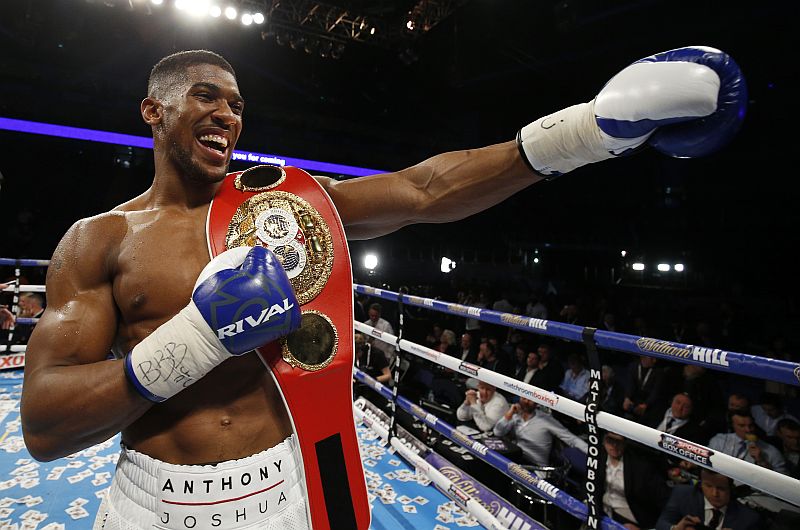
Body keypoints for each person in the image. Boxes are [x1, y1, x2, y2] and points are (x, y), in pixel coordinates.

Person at [17, 45, 744, 530]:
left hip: (284, 491)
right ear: (154, 111)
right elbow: (47, 425)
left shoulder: (282, 209)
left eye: (237, 105)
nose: (228, 117)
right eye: (206, 98)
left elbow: (423, 190)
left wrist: (587, 132)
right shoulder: (100, 239)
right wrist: (192, 342)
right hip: (155, 500)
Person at [599, 431, 670, 530]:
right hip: (603, 511)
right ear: (603, 441)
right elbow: (587, 482)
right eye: (610, 440)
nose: (614, 445)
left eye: (618, 441)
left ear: (625, 443)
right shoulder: (598, 457)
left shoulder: (642, 467)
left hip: (632, 521)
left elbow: (665, 502)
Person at [493, 397, 587, 466]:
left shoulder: (546, 420)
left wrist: (593, 454)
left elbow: (571, 439)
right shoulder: (515, 415)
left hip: (536, 466)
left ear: (537, 402)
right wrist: (509, 414)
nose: (526, 402)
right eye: (524, 398)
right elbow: (497, 432)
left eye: (530, 399)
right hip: (516, 459)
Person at [655, 469, 761, 530]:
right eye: (708, 486)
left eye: (721, 488)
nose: (714, 494)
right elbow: (661, 523)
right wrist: (676, 529)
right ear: (700, 485)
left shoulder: (748, 518)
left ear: (732, 490)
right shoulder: (682, 494)